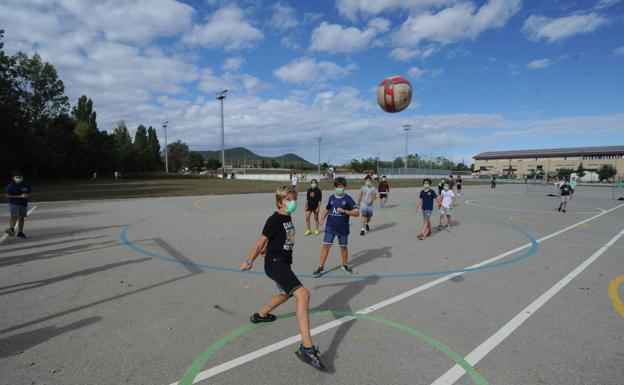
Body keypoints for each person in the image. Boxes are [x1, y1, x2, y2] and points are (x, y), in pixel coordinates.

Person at [241, 185, 326, 370]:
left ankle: (260, 315)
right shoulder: (274, 219)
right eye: (288, 199)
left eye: (293, 198)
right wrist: (249, 261)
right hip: (275, 264)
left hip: (282, 263)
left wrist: (269, 248)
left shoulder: (287, 218)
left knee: (286, 294)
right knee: (303, 295)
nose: (292, 202)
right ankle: (307, 348)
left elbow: (276, 239)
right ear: (280, 202)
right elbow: (260, 242)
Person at [313, 177, 359, 277]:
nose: (339, 188)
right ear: (335, 187)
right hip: (330, 227)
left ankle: (345, 265)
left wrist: (345, 211)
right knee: (326, 246)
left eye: (341, 186)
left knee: (343, 247)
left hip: (343, 229)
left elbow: (357, 213)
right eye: (337, 186)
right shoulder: (331, 198)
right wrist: (322, 218)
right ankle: (320, 267)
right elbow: (327, 208)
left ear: (345, 187)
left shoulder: (348, 199)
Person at [4, 171, 32, 239]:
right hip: (14, 203)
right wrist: (19, 196)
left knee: (21, 218)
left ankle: (20, 233)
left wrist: (27, 196)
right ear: (13, 178)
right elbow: (7, 196)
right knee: (14, 216)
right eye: (17, 177)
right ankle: (12, 229)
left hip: (23, 203)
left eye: (20, 177)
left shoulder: (25, 184)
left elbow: (29, 193)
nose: (19, 178)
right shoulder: (11, 185)